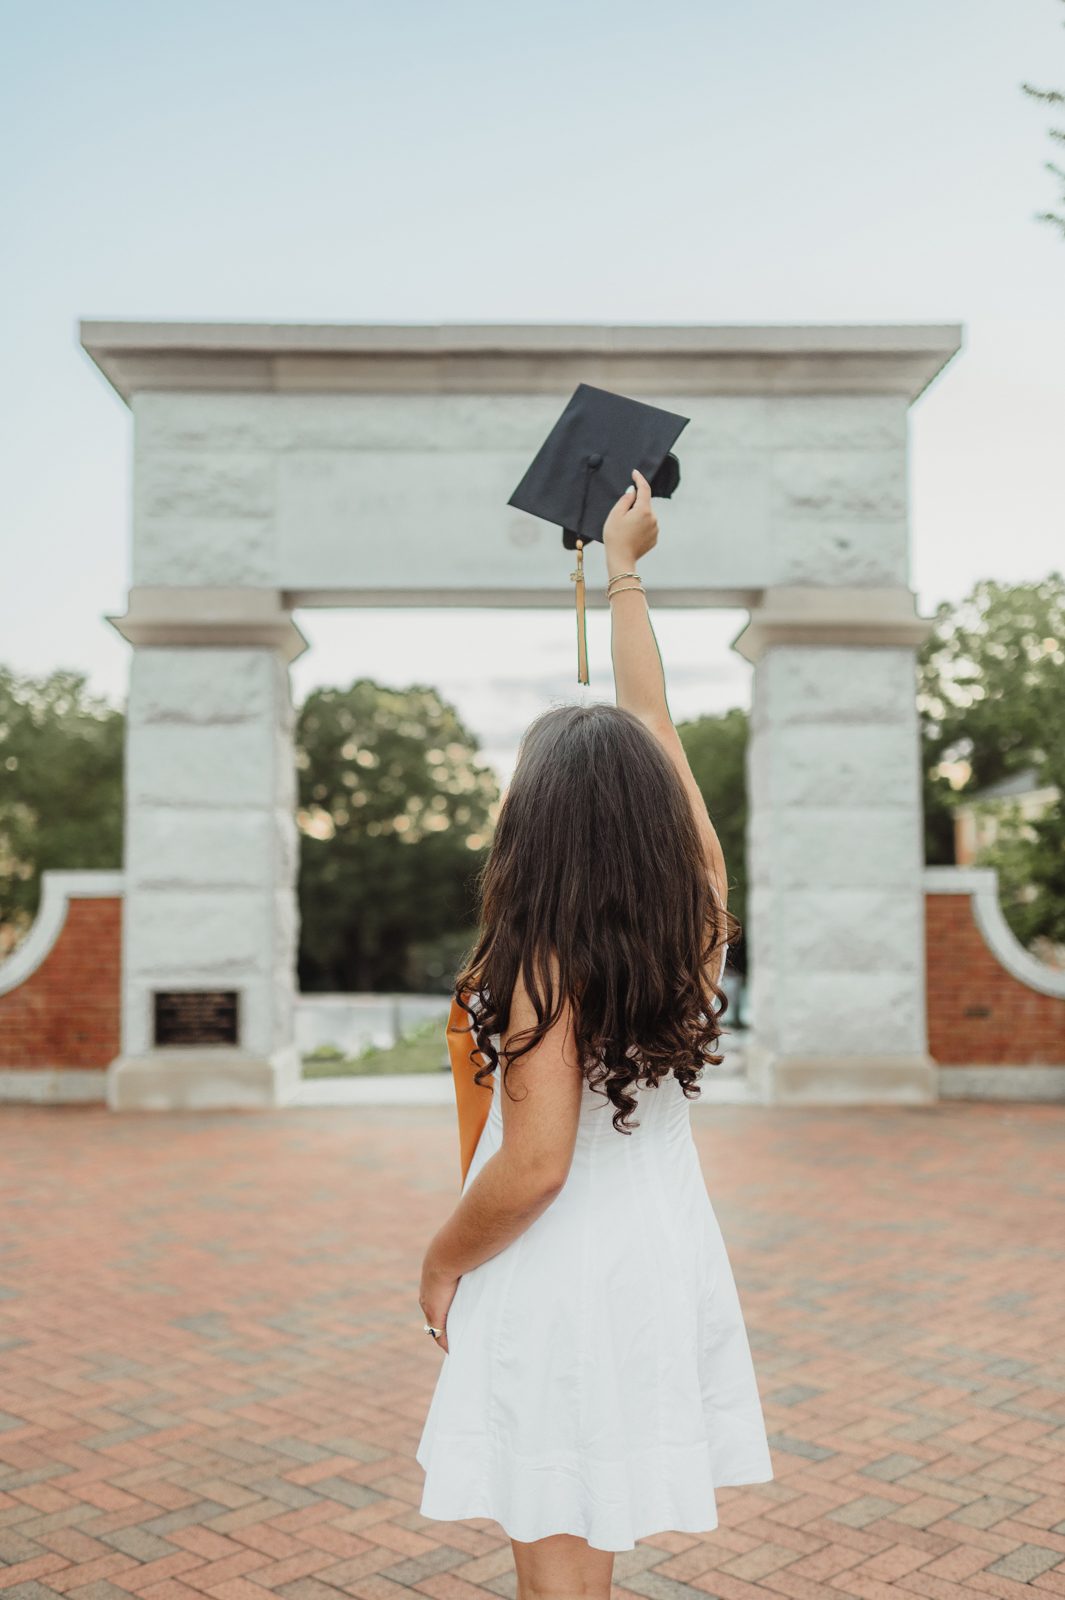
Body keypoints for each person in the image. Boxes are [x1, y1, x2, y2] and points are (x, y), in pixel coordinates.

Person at [415, 467, 773, 1597]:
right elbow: (654, 724)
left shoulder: (542, 965)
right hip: (658, 1258)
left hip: (562, 1278)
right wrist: (623, 576)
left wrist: (439, 1260)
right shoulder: (698, 914)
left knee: (558, 1582)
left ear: (535, 830)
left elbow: (533, 1166)